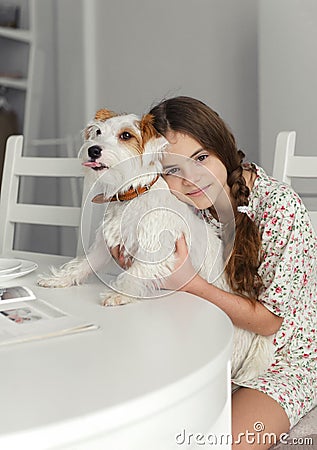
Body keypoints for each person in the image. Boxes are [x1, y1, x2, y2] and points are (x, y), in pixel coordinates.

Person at [147, 96, 316, 449]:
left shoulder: (278, 207)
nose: (191, 179)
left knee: (219, 445)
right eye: (173, 170)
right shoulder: (188, 207)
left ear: (223, 147)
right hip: (217, 350)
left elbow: (271, 322)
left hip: (287, 362)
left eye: (201, 158)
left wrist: (194, 285)